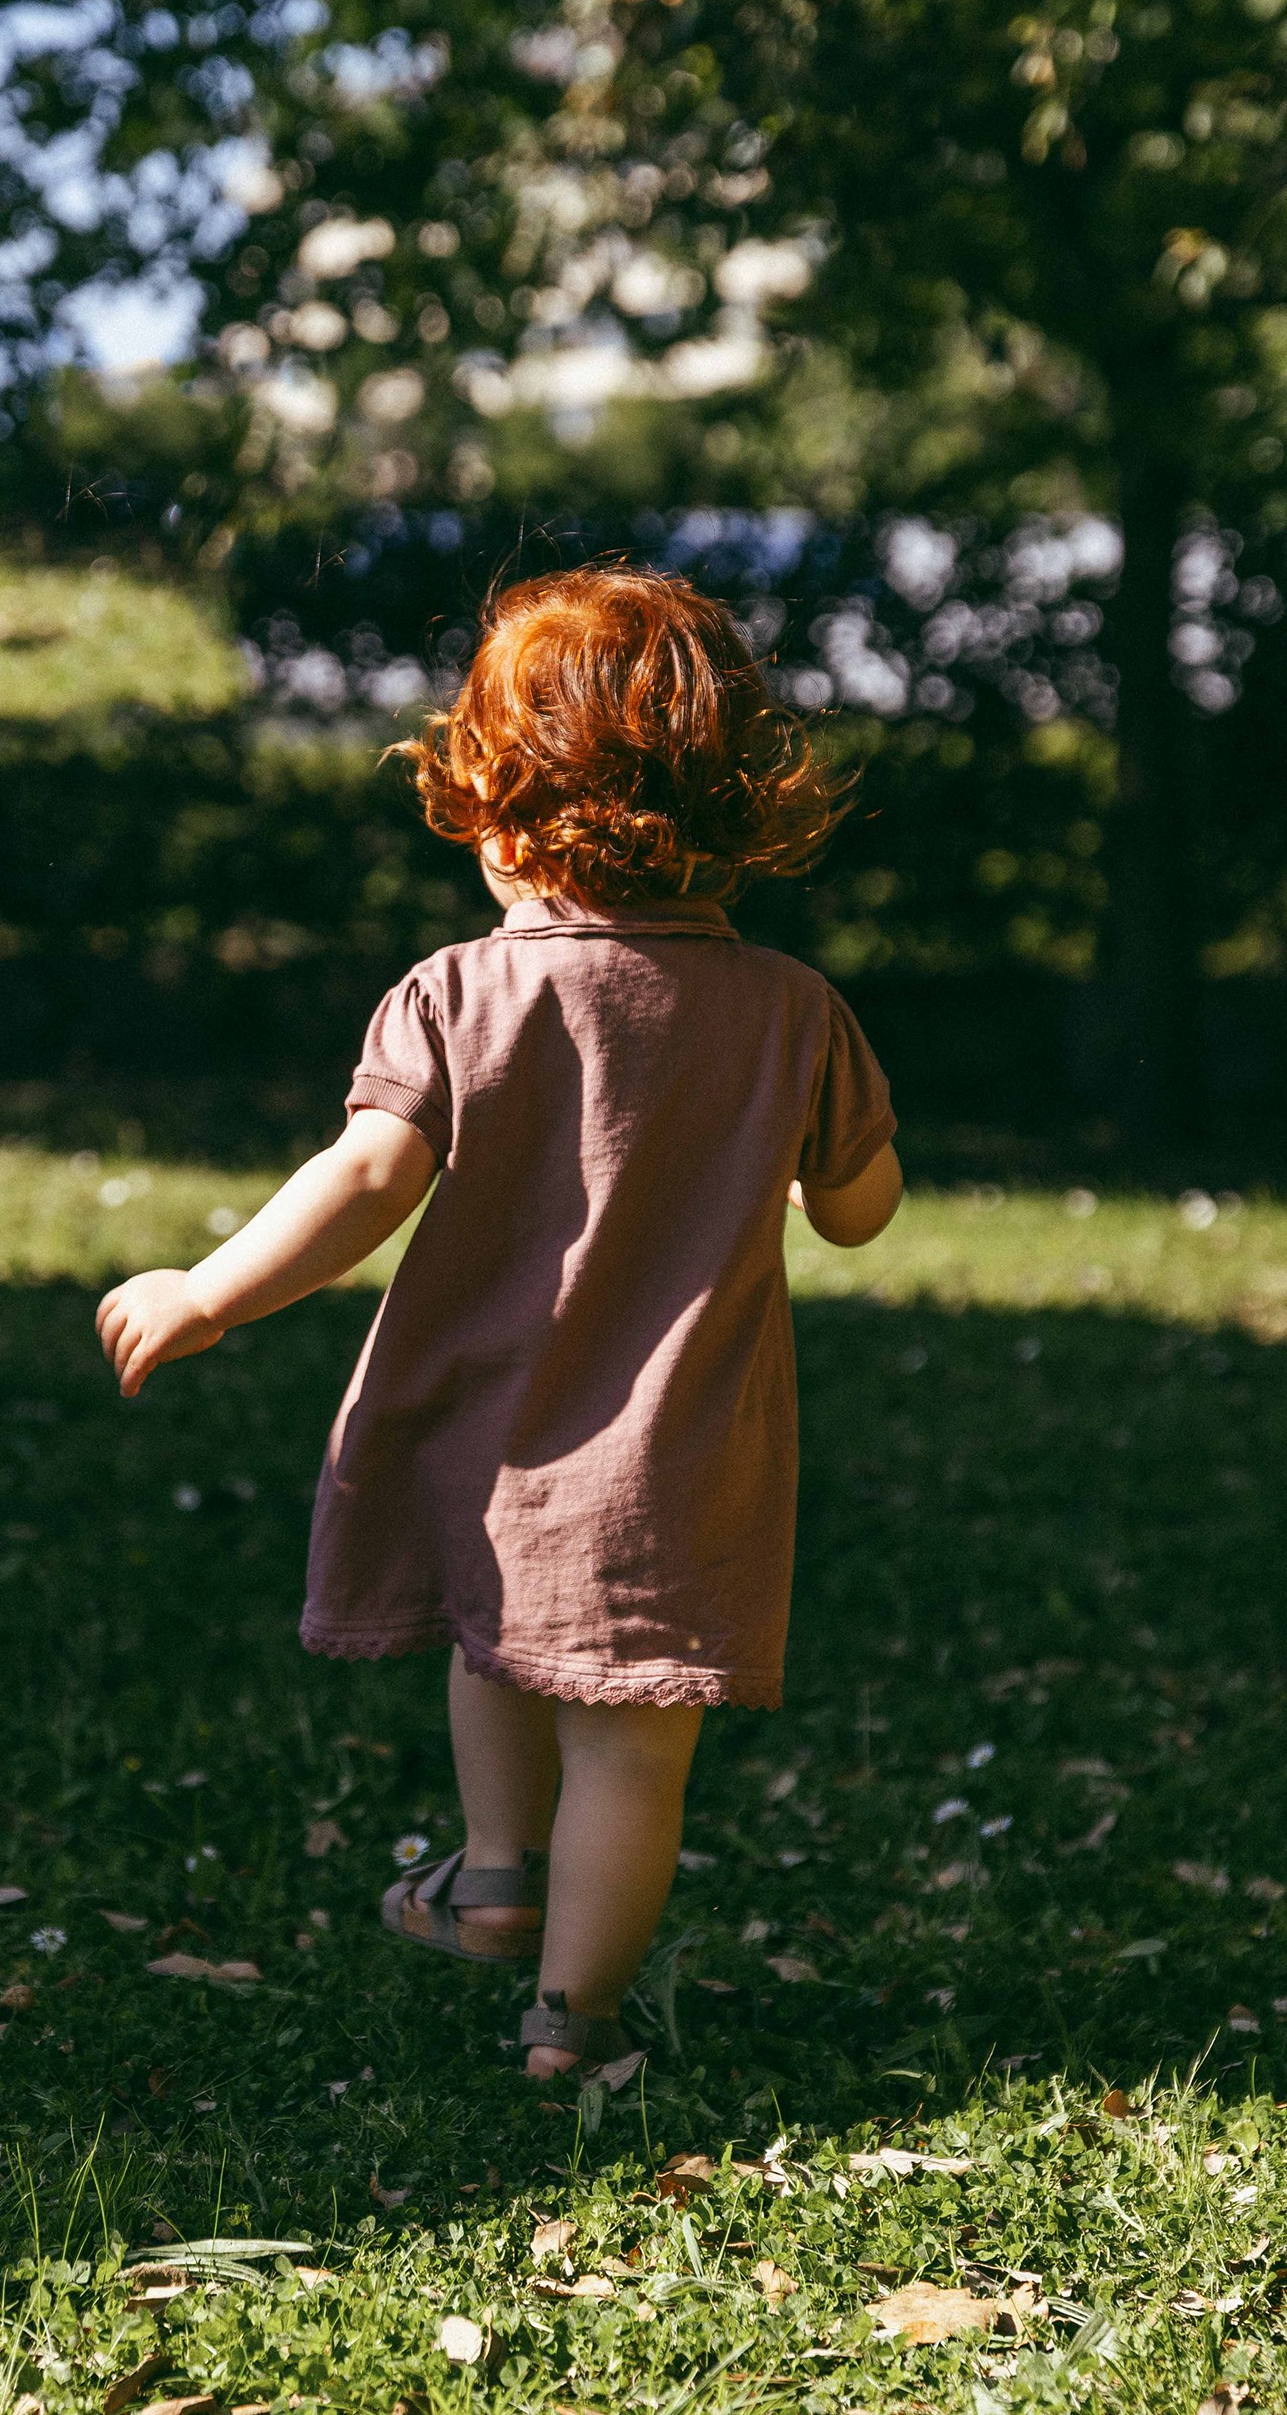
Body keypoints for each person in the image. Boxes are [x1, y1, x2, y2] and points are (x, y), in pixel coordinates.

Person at [96, 566, 901, 2076]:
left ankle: (492, 1876)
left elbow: (365, 1177)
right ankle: (571, 2026)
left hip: (488, 1432)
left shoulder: (456, 996)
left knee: (494, 1634)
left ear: (506, 813)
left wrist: (207, 1291)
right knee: (633, 1747)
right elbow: (859, 1210)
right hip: (681, 1460)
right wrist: (799, 1161)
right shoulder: (796, 1011)